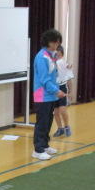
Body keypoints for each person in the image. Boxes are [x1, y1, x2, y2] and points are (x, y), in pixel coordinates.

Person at [32, 29, 66, 160]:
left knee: (48, 122)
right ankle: (38, 150)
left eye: (58, 42)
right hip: (42, 96)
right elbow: (44, 79)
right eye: (55, 42)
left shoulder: (51, 56)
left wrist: (56, 91)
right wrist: (56, 91)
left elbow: (54, 76)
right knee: (42, 123)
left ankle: (45, 145)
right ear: (49, 42)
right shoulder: (42, 57)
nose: (57, 44)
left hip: (51, 95)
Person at [53, 45, 74, 137]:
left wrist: (71, 92)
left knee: (62, 109)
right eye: (56, 55)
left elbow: (69, 79)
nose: (58, 57)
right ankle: (60, 128)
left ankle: (67, 126)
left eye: (59, 55)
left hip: (62, 88)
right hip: (54, 88)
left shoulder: (64, 64)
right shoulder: (52, 64)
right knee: (56, 112)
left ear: (62, 54)